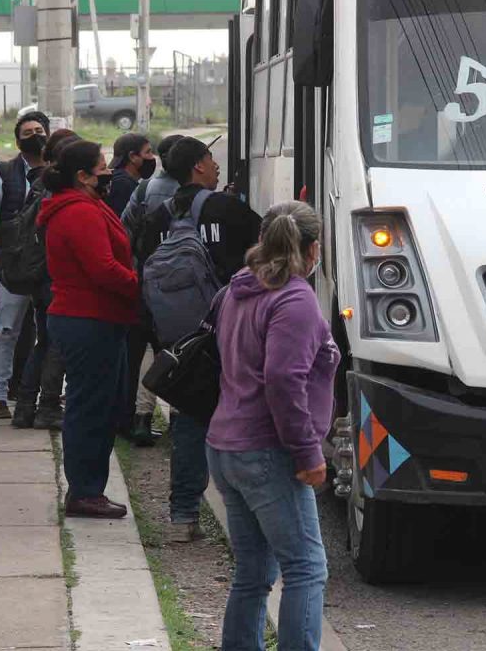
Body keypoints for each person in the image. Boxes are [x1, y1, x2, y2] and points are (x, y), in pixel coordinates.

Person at [207, 201, 339, 651]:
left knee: (254, 573)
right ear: (314, 248)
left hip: (226, 444)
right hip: (268, 450)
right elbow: (284, 381)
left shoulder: (238, 289)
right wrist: (307, 452)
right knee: (306, 568)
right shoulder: (296, 299)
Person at [165, 136, 262, 542]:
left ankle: (183, 516)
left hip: (181, 335)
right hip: (230, 328)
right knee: (246, 414)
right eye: (210, 158)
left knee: (187, 418)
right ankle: (248, 512)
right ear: (198, 167)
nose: (216, 164)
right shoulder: (227, 207)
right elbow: (266, 247)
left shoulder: (159, 213)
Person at [38, 140, 139, 518]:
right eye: (101, 167)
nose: (108, 172)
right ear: (82, 176)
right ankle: (84, 491)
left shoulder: (86, 205)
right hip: (87, 319)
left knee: (102, 405)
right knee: (90, 408)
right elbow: (103, 268)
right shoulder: (78, 212)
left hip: (97, 318)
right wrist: (138, 286)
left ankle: (89, 488)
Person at [0, 111, 49, 419]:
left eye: (39, 130)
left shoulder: (56, 173)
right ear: (18, 140)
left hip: (47, 266)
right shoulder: (3, 172)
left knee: (47, 335)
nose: (34, 136)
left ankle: (42, 395)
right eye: (27, 132)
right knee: (7, 330)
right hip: (13, 266)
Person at [11, 128, 80, 430]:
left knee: (45, 341)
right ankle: (48, 406)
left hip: (39, 275)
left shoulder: (40, 183)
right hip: (55, 277)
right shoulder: (58, 191)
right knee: (57, 344)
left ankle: (25, 406)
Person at [119, 132, 184, 447]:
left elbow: (124, 229)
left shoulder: (144, 189)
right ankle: (178, 419)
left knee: (145, 351)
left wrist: (134, 268)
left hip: (144, 280)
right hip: (180, 286)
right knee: (178, 351)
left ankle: (141, 418)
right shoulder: (191, 195)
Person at [106, 132, 156, 217]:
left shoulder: (115, 179)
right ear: (132, 156)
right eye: (148, 152)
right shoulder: (124, 185)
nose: (152, 157)